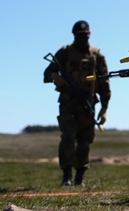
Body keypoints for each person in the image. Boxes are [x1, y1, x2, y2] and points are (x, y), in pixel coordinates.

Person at [43, 20, 111, 186]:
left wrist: (104, 108)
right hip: (68, 102)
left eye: (84, 35)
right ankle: (67, 176)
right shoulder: (65, 53)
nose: (82, 38)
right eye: (79, 35)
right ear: (74, 35)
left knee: (84, 141)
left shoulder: (97, 56)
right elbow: (47, 73)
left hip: (88, 103)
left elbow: (104, 82)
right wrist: (55, 77)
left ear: (90, 34)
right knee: (68, 137)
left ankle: (79, 176)